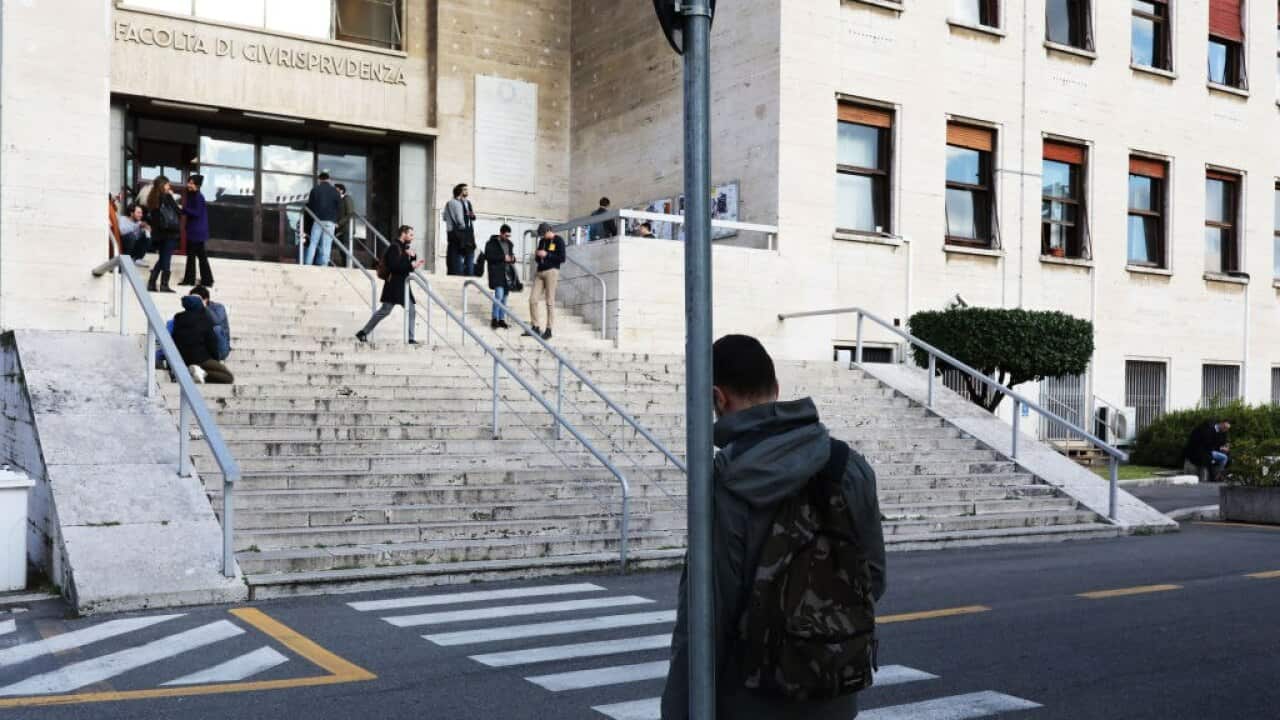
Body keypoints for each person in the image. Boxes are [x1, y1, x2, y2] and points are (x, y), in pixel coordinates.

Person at [660, 334, 886, 720]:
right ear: (776, 389)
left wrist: (679, 711)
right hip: (834, 692)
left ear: (717, 398)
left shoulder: (725, 483)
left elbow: (707, 618)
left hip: (752, 700)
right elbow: (874, 580)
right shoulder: (849, 466)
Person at [356, 225, 425, 344]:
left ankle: (410, 338)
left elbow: (406, 267)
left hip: (403, 285)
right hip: (394, 286)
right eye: (410, 235)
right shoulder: (394, 247)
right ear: (403, 233)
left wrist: (413, 258)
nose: (412, 237)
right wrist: (410, 265)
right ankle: (363, 332)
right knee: (385, 310)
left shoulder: (404, 248)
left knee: (411, 309)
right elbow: (394, 267)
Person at [170, 294, 234, 384]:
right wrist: (216, 359)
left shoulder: (178, 318)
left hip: (183, 358)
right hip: (201, 358)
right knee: (228, 377)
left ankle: (195, 371)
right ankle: (201, 374)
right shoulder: (204, 319)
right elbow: (211, 342)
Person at [525, 222, 565, 341]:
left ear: (548, 231)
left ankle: (549, 329)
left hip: (552, 271)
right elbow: (538, 258)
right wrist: (538, 255)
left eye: (543, 234)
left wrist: (547, 254)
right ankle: (535, 326)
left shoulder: (558, 240)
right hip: (540, 272)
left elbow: (562, 258)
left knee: (549, 301)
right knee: (533, 299)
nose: (542, 236)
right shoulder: (542, 241)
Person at [145, 176, 181, 293]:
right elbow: (178, 211)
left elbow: (152, 217)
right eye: (167, 184)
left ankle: (152, 283)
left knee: (163, 258)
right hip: (169, 232)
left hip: (159, 234)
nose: (169, 186)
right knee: (166, 258)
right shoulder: (167, 197)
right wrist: (174, 198)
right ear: (162, 185)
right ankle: (164, 285)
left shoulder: (152, 198)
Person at [179, 175, 213, 287]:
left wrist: (183, 209)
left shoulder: (198, 197)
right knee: (201, 256)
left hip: (196, 231)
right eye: (188, 182)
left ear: (197, 185)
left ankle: (190, 280)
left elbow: (196, 213)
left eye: (191, 183)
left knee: (192, 256)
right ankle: (207, 280)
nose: (188, 185)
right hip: (197, 231)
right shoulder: (193, 195)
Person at [304, 171, 342, 266]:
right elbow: (339, 206)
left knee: (313, 243)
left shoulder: (315, 190)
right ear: (329, 180)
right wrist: (336, 219)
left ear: (319, 180)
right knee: (327, 244)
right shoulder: (335, 191)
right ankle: (324, 264)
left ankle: (308, 263)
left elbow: (310, 205)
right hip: (330, 221)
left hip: (318, 219)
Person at [484, 224, 517, 329]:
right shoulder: (491, 243)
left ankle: (501, 319)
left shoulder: (510, 244)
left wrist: (513, 258)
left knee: (505, 298)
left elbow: (511, 256)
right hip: (497, 273)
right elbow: (488, 256)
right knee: (499, 295)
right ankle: (495, 318)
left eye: (509, 236)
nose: (508, 238)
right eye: (506, 235)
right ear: (501, 233)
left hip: (507, 274)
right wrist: (503, 257)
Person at [443, 183, 477, 276]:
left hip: (461, 236)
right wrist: (462, 225)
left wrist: (471, 215)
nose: (467, 191)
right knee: (461, 261)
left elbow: (444, 217)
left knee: (463, 261)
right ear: (460, 191)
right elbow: (460, 221)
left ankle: (466, 275)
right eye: (465, 189)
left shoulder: (467, 203)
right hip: (461, 235)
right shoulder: (455, 203)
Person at [189, 286, 231, 361]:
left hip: (221, 347)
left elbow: (217, 322)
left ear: (205, 299)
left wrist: (204, 306)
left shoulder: (218, 307)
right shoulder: (193, 309)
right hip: (203, 347)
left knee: (216, 328)